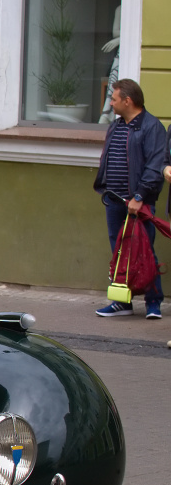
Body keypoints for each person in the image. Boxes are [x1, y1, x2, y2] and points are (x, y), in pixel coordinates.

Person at [93, 79, 166, 319]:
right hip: (114, 200)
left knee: (144, 252)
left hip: (137, 203)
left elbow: (155, 166)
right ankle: (121, 302)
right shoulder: (116, 126)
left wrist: (139, 196)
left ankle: (153, 303)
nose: (111, 103)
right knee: (119, 254)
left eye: (113, 99)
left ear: (128, 101)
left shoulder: (151, 127)